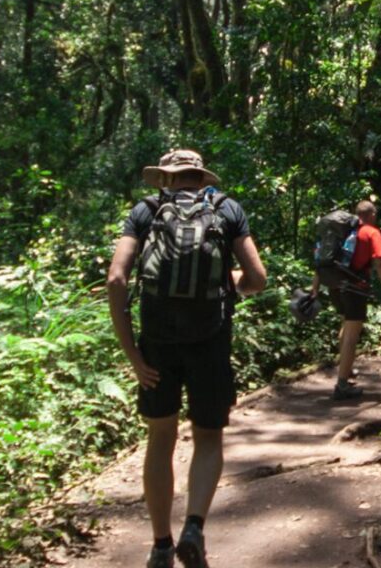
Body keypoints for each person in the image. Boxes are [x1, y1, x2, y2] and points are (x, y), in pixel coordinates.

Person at [107, 149, 267, 568]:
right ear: (201, 177)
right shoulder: (227, 208)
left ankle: (161, 545)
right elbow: (258, 279)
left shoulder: (145, 211)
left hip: (156, 346)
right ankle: (194, 526)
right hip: (211, 341)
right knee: (208, 437)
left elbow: (116, 278)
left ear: (166, 178)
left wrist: (132, 354)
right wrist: (226, 283)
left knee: (160, 437)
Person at [308, 200, 381, 400]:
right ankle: (342, 385)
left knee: (346, 325)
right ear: (372, 215)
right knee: (352, 332)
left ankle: (346, 370)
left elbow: (322, 261)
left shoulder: (339, 232)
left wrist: (315, 287)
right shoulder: (371, 232)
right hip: (355, 287)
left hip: (333, 284)